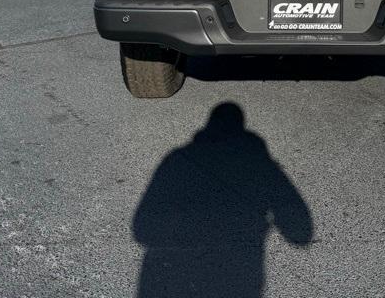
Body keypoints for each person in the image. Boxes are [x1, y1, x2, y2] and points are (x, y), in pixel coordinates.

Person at [131, 102, 313, 298]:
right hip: (237, 271)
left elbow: (143, 229)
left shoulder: (177, 158)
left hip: (174, 274)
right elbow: (298, 229)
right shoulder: (258, 161)